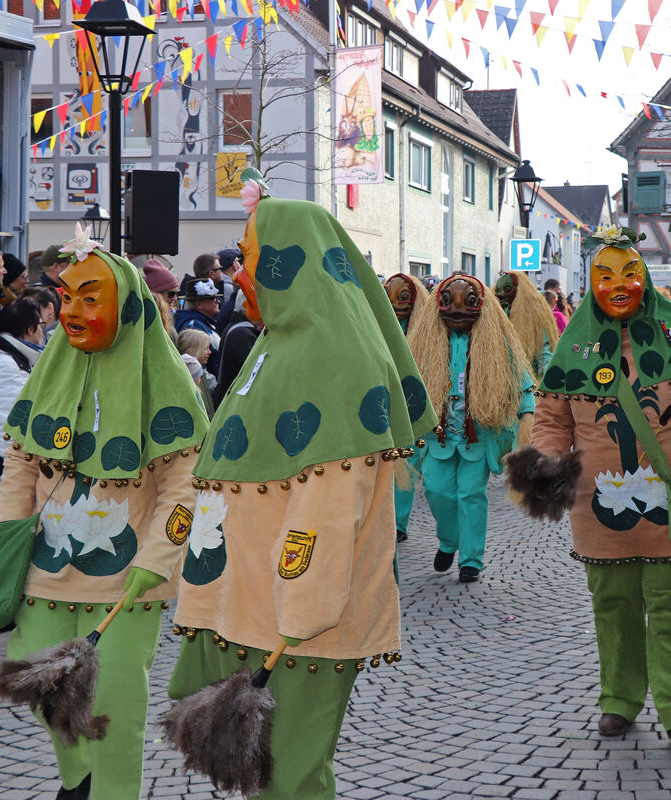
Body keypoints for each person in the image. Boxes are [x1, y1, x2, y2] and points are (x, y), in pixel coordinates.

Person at [169, 189, 436, 800]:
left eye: (248, 258)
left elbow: (331, 503)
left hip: (296, 621)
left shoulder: (341, 355)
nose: (238, 274)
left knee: (290, 774)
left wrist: (302, 608)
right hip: (244, 602)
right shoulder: (274, 343)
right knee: (267, 778)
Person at [507, 227, 671, 742]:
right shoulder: (573, 349)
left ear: (644, 279)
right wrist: (545, 462)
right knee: (615, 609)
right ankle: (619, 699)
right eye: (605, 276)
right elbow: (553, 419)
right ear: (592, 284)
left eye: (629, 274)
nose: (618, 285)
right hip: (600, 512)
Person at [0, 226, 207, 800]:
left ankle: (110, 792)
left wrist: (158, 559)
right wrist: (7, 536)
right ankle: (81, 776)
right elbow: (21, 461)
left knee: (114, 700)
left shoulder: (167, 383)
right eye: (67, 297)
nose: (71, 311)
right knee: (34, 677)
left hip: (124, 580)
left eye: (90, 298)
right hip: (44, 571)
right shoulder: (51, 369)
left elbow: (184, 485)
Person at [408, 274, 535, 583]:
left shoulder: (498, 343)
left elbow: (520, 378)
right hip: (438, 437)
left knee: (470, 494)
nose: (458, 311)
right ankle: (448, 541)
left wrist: (527, 413)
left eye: (468, 304)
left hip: (478, 436)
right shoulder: (424, 344)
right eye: (449, 303)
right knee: (436, 490)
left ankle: (471, 560)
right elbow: (407, 381)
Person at [0, 298, 43, 498]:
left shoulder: (15, 360)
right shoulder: (5, 364)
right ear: (30, 329)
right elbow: (3, 426)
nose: (42, 331)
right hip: (7, 472)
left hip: (10, 468)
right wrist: (17, 470)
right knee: (4, 517)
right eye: (40, 325)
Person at [384, 273, 431, 542]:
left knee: (406, 463)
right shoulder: (380, 327)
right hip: (385, 402)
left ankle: (398, 523)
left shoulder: (426, 334)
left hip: (412, 406)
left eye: (402, 298)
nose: (394, 304)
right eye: (388, 297)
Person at [494, 271, 558, 379]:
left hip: (527, 379)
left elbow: (544, 352)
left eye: (507, 289)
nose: (502, 296)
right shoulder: (496, 316)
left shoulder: (535, 317)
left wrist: (546, 379)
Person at [174, 276, 221, 374]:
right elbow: (193, 364)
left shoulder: (201, 322)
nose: (218, 301)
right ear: (199, 304)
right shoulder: (194, 326)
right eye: (213, 298)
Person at [175, 328, 215, 417]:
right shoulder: (189, 373)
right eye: (206, 348)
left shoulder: (202, 372)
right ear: (191, 351)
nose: (209, 352)